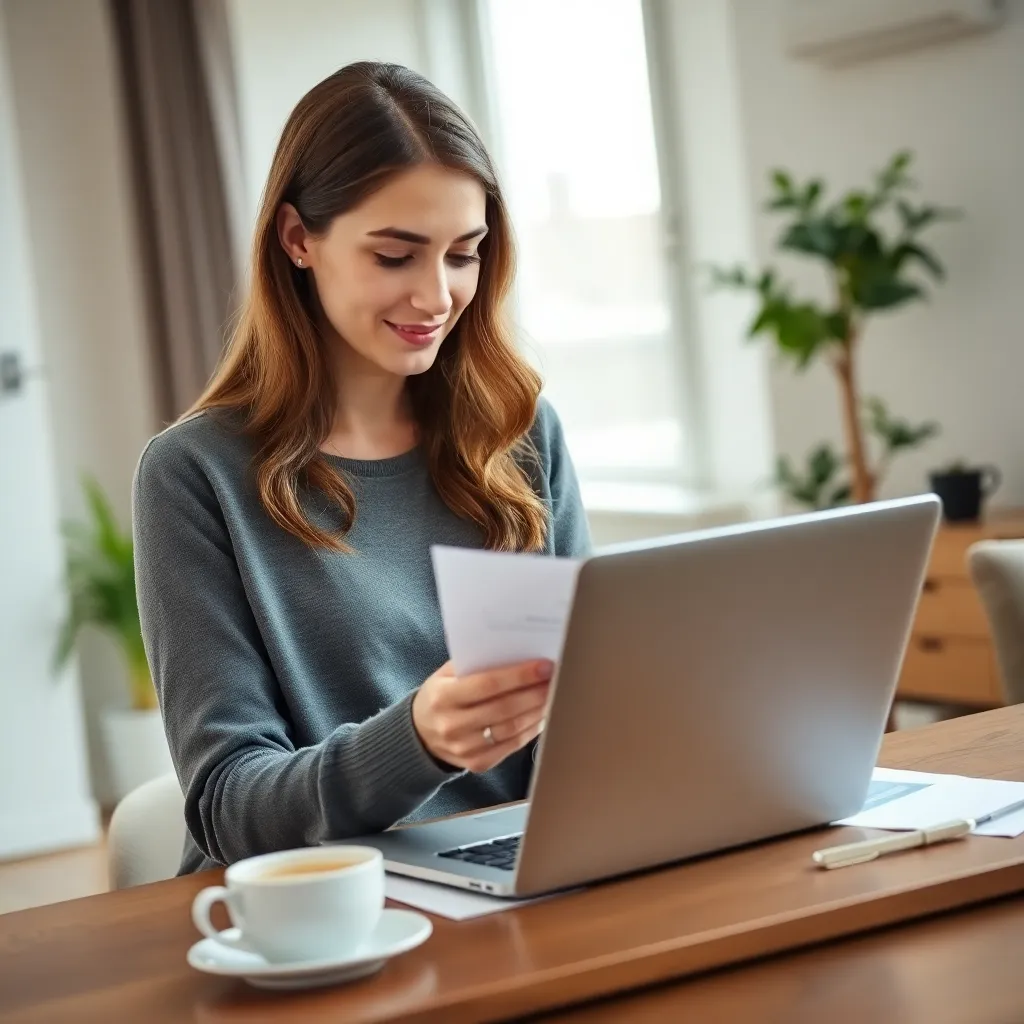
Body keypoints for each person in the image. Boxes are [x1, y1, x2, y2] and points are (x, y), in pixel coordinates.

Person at [132, 62, 591, 873]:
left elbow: (594, 705)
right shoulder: (194, 475)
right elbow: (226, 806)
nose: (438, 295)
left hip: (516, 873)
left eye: (463, 254)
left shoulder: (519, 436)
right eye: (395, 256)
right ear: (298, 239)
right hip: (320, 901)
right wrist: (416, 740)